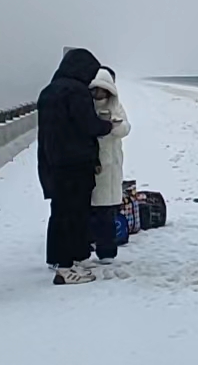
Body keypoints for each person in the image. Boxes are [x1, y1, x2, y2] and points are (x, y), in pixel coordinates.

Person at [36, 48, 114, 285]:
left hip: (52, 162)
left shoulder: (48, 91)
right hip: (75, 164)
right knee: (73, 215)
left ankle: (63, 259)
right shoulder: (76, 92)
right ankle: (65, 268)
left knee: (60, 213)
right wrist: (107, 125)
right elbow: (88, 125)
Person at [88, 68, 131, 263]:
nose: (99, 94)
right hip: (95, 163)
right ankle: (92, 243)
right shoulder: (87, 106)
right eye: (97, 90)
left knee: (108, 210)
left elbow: (126, 128)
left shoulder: (116, 106)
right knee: (94, 209)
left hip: (112, 163)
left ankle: (107, 251)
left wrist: (115, 126)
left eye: (103, 90)